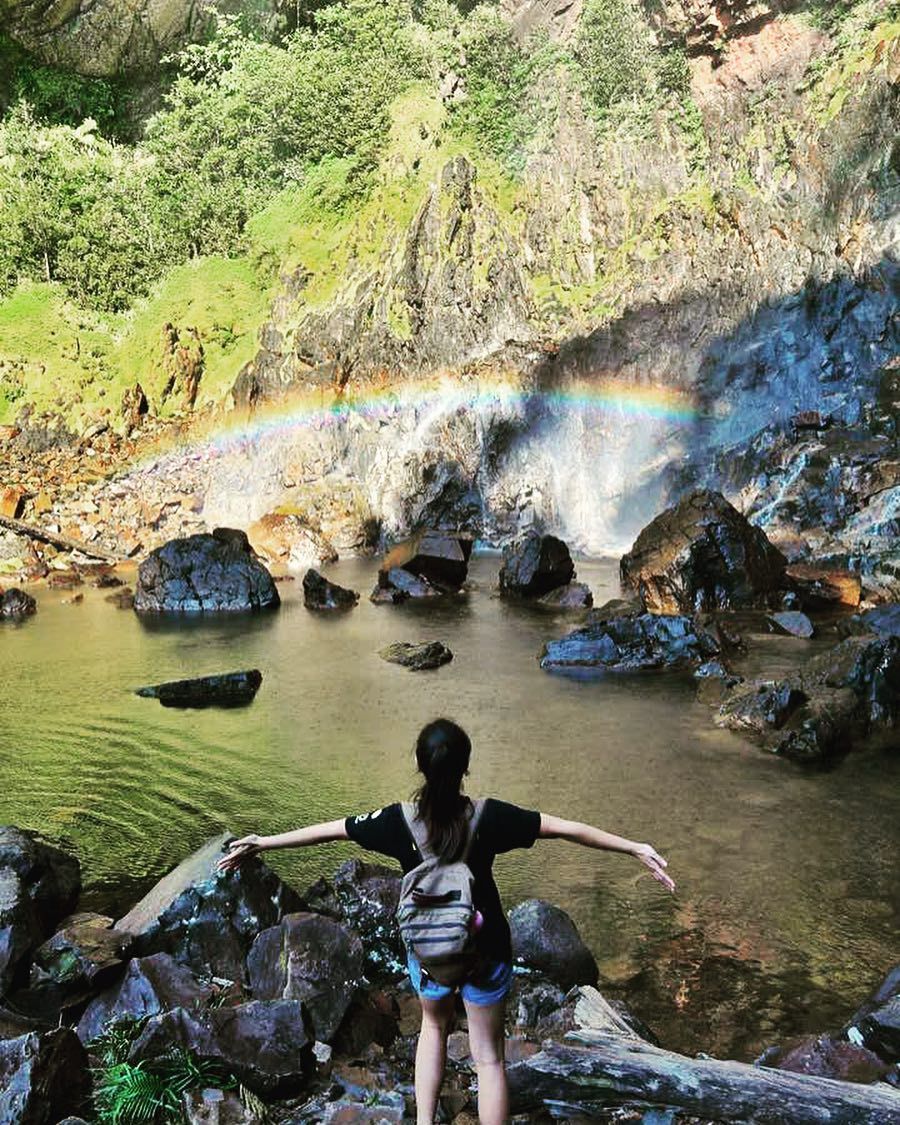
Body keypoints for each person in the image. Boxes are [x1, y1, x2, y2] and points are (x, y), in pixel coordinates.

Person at [218, 718, 675, 1124]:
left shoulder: (398, 822)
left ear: (420, 767)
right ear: (466, 768)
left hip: (429, 953)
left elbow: (330, 830)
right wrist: (633, 846)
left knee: (432, 1031)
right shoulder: (490, 817)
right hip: (487, 952)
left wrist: (264, 842)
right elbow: (566, 828)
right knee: (490, 1060)